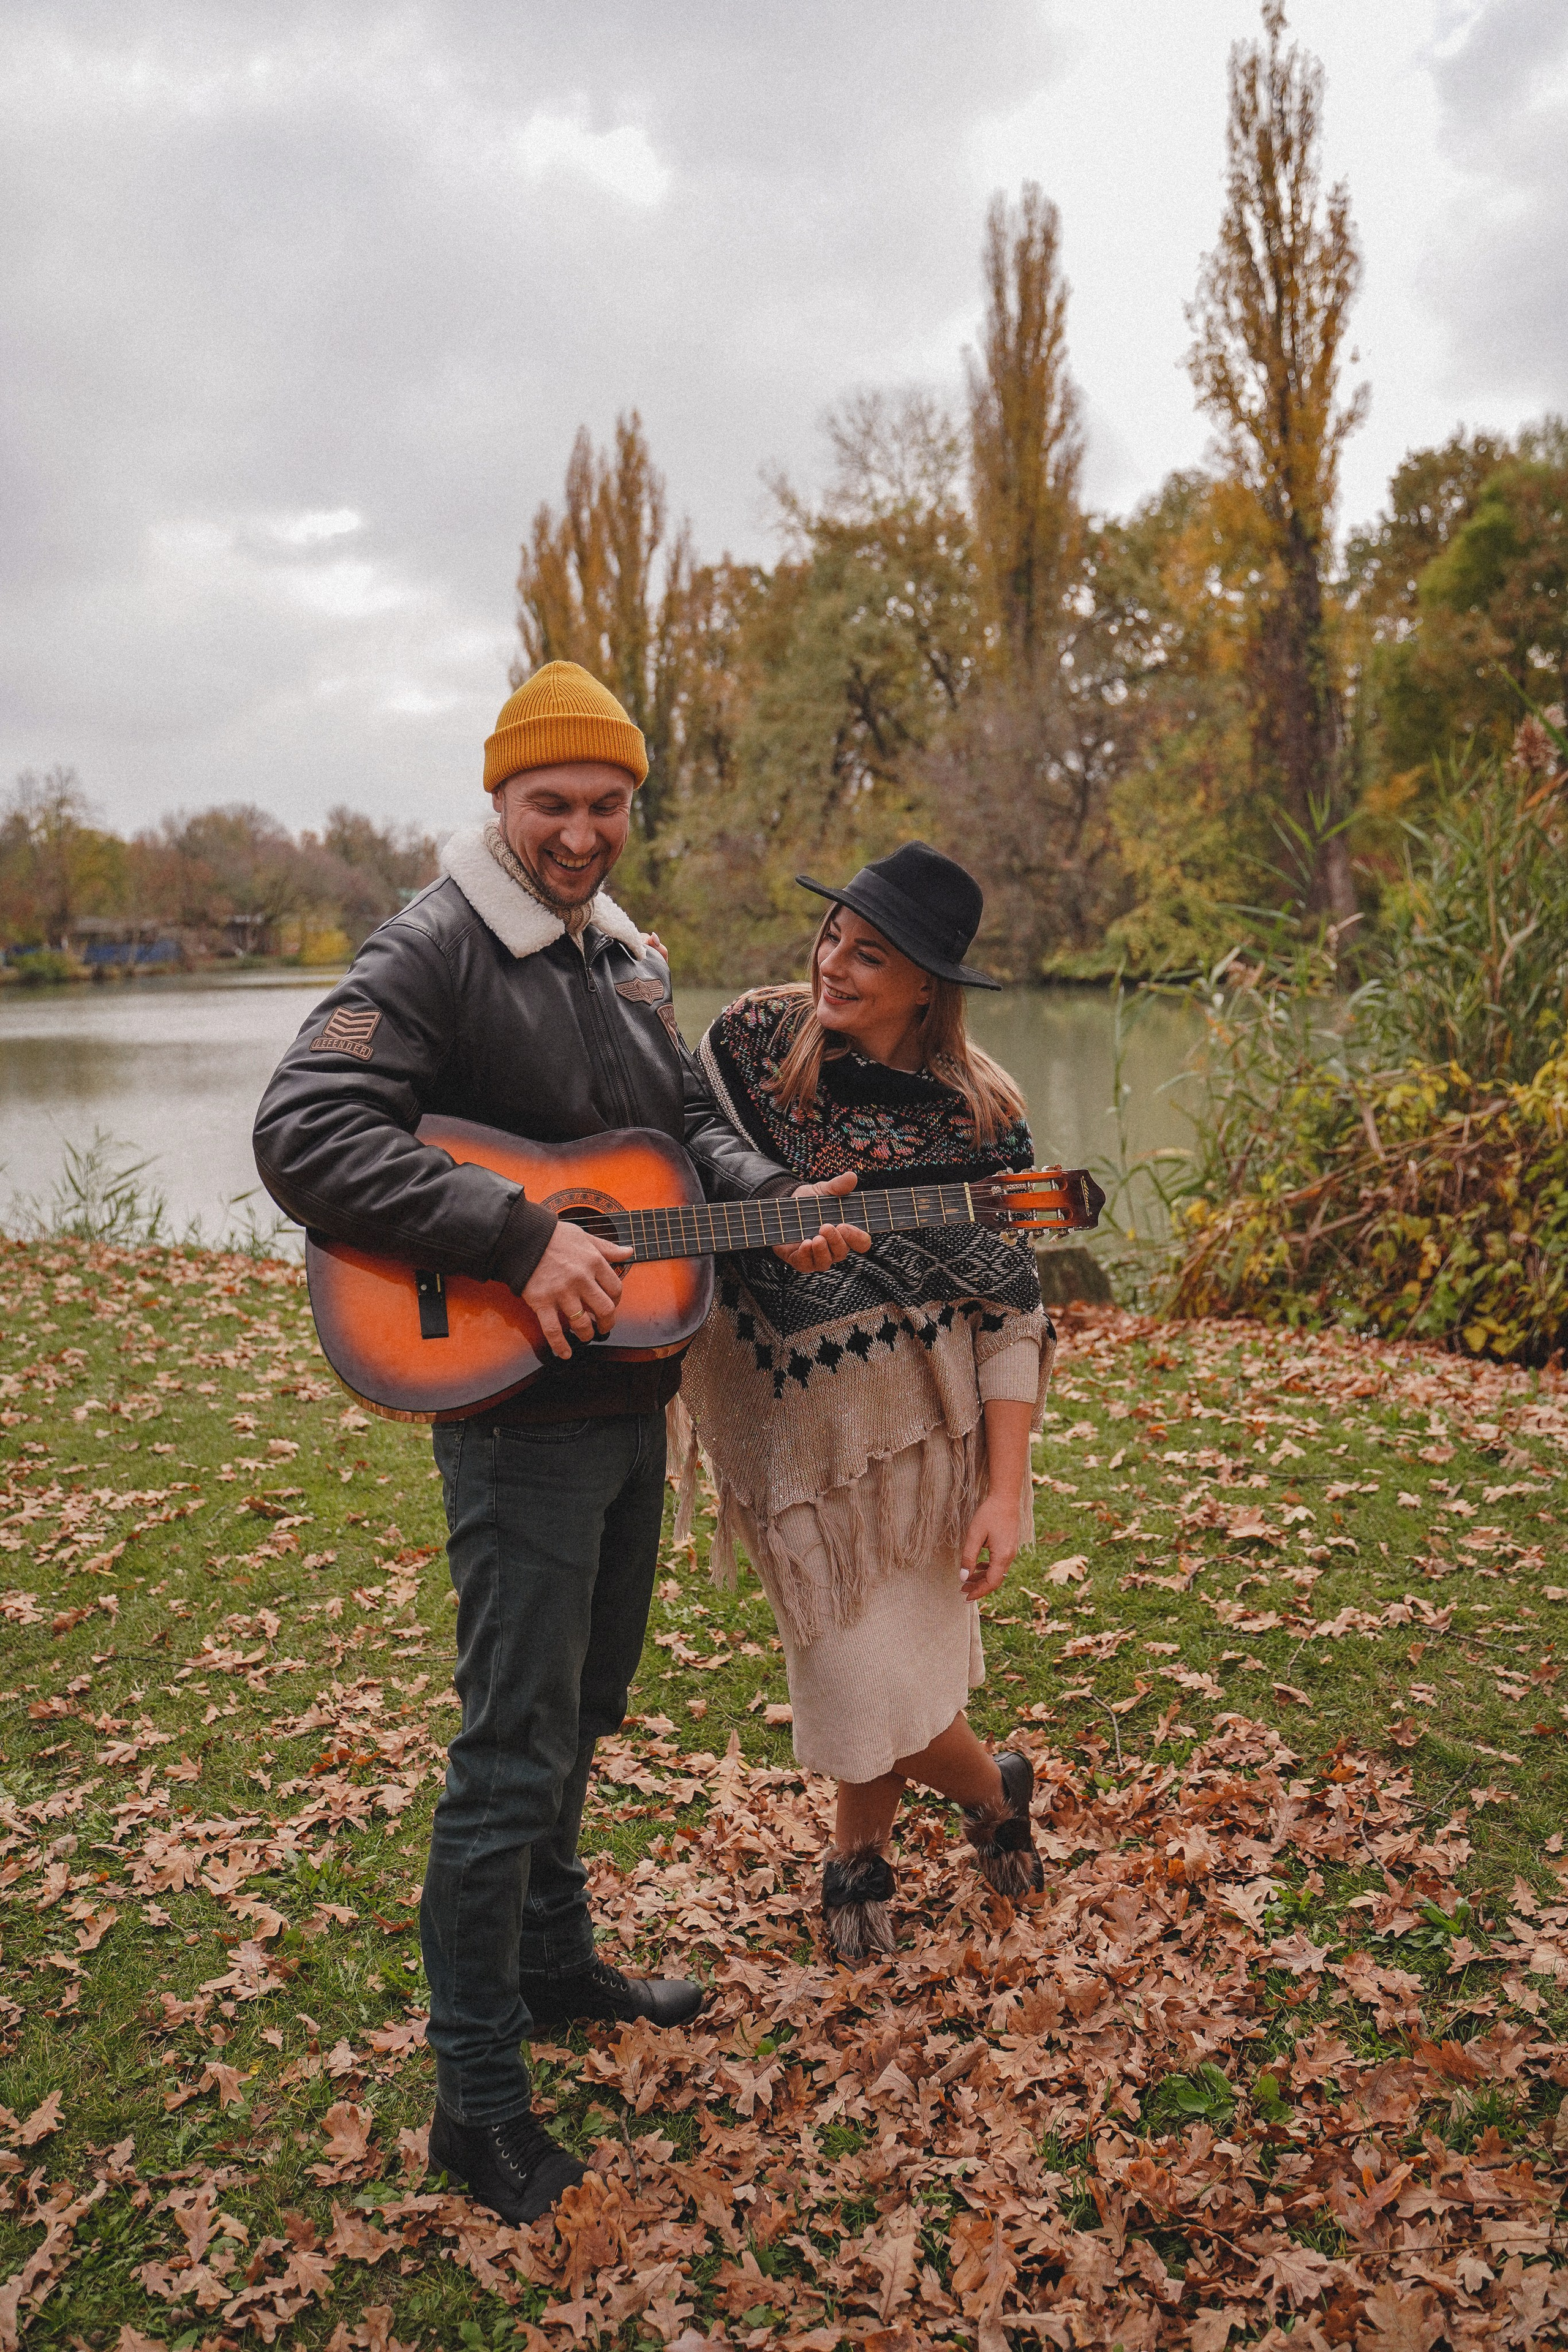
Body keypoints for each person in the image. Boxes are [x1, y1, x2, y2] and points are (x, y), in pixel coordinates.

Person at [251, 661, 861, 2223]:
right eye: (551, 805)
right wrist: (516, 1236)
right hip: (514, 1412)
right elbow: (303, 1129)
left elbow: (678, 1135)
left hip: (626, 1396)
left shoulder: (626, 958)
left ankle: (551, 1963)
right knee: (508, 1748)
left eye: (604, 807)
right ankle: (474, 2093)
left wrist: (765, 1203)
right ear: (499, 801)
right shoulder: (436, 944)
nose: (579, 834)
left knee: (583, 1707)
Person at [675, 842, 1054, 1962]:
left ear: (929, 985)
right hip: (789, 1428)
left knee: (884, 1673)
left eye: (870, 954)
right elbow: (679, 1133)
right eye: (833, 933)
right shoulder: (752, 1040)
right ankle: (995, 1787)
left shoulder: (981, 1121)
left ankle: (857, 1855)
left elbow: (1013, 1311)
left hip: (922, 1441)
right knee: (857, 1671)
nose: (834, 963)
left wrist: (1005, 1485)